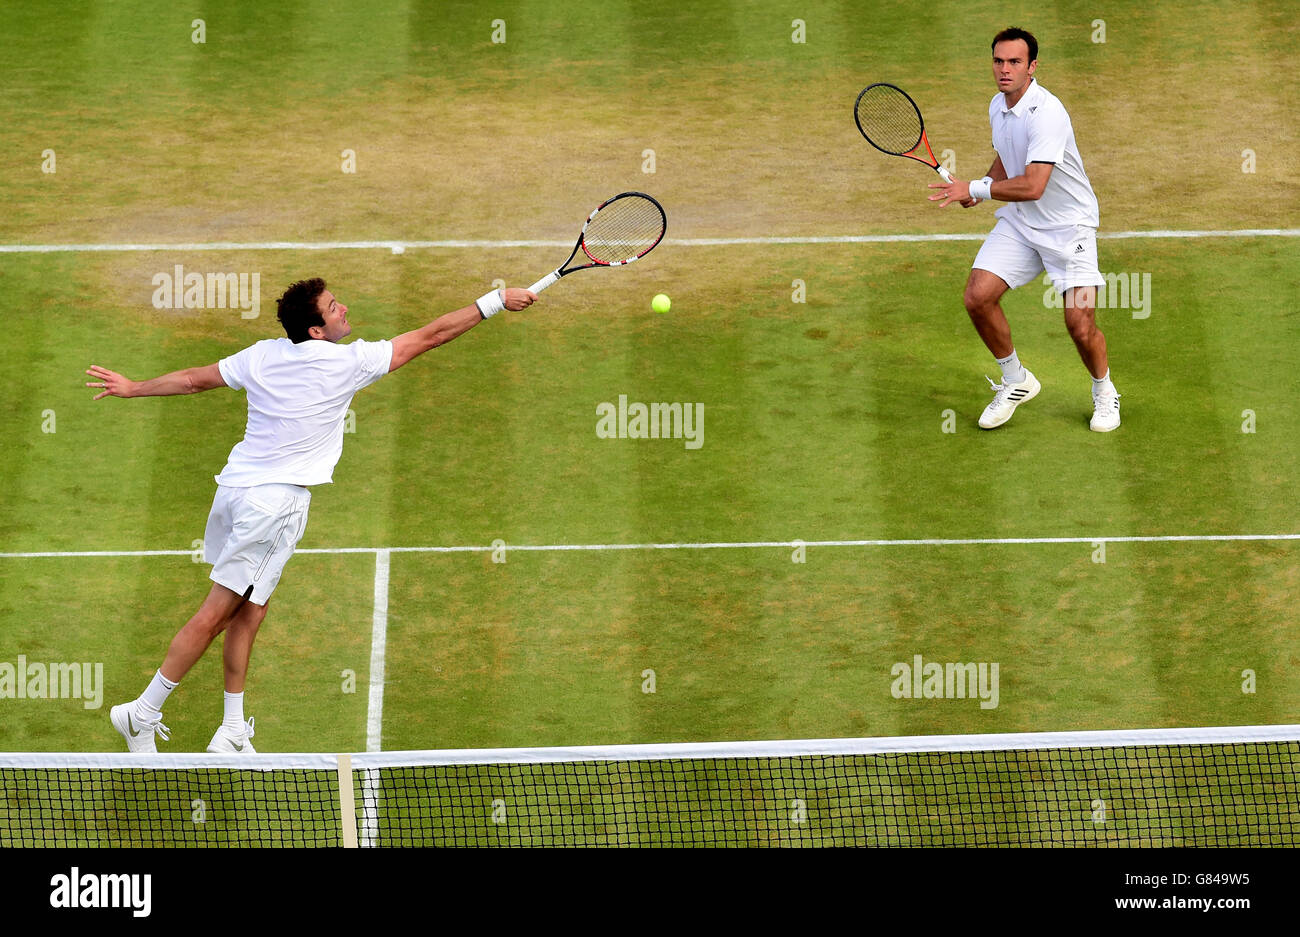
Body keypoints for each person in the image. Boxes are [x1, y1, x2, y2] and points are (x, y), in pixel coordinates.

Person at [87, 280, 537, 752]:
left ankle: (232, 730)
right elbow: (430, 336)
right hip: (273, 507)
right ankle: (142, 712)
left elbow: (195, 379)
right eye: (333, 307)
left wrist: (134, 388)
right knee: (216, 614)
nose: (344, 308)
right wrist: (495, 302)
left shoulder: (262, 354)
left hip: (235, 493)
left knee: (251, 606)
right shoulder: (347, 363)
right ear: (316, 330)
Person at [929, 26, 1120, 432]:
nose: (1004, 69)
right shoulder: (998, 106)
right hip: (1021, 224)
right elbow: (1007, 156)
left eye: (1014, 62)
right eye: (998, 61)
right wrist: (979, 190)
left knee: (1079, 326)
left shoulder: (1048, 113)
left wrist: (977, 187)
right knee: (977, 296)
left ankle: (1105, 393)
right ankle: (1016, 380)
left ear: (1032, 67)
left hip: (1070, 230)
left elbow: (1033, 186)